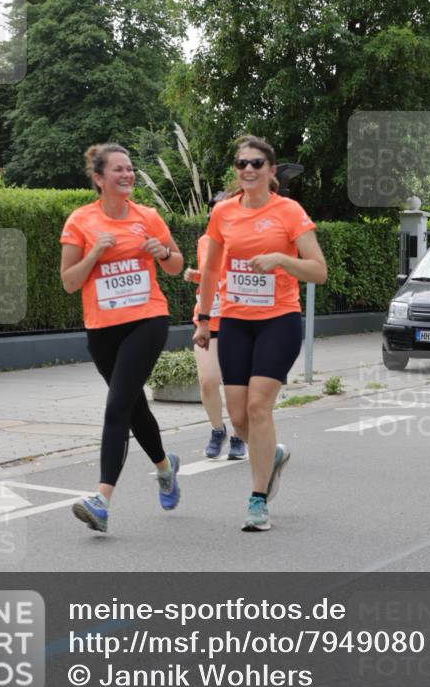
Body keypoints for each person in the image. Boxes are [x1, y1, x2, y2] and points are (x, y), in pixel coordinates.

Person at [193, 136, 327, 532]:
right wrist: (203, 320)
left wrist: (283, 259)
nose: (248, 170)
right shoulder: (223, 213)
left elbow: (318, 270)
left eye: (256, 163)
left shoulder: (290, 212)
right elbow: (212, 271)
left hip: (279, 320)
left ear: (272, 172)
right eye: (241, 164)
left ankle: (257, 500)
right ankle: (274, 454)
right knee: (237, 416)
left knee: (257, 407)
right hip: (233, 321)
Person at [60, 143, 184, 534]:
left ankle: (101, 501)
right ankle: (165, 468)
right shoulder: (80, 221)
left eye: (130, 169)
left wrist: (162, 250)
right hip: (101, 329)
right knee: (132, 407)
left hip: (147, 319)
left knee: (116, 406)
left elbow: (176, 266)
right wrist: (94, 252)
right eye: (119, 170)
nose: (128, 175)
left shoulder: (147, 217)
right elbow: (69, 282)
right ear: (99, 179)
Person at [184, 193, 246, 461]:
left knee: (238, 386)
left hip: (238, 321)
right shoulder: (204, 242)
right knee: (208, 381)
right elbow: (210, 276)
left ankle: (238, 436)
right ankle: (217, 430)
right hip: (207, 320)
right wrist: (196, 276)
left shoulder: (245, 242)